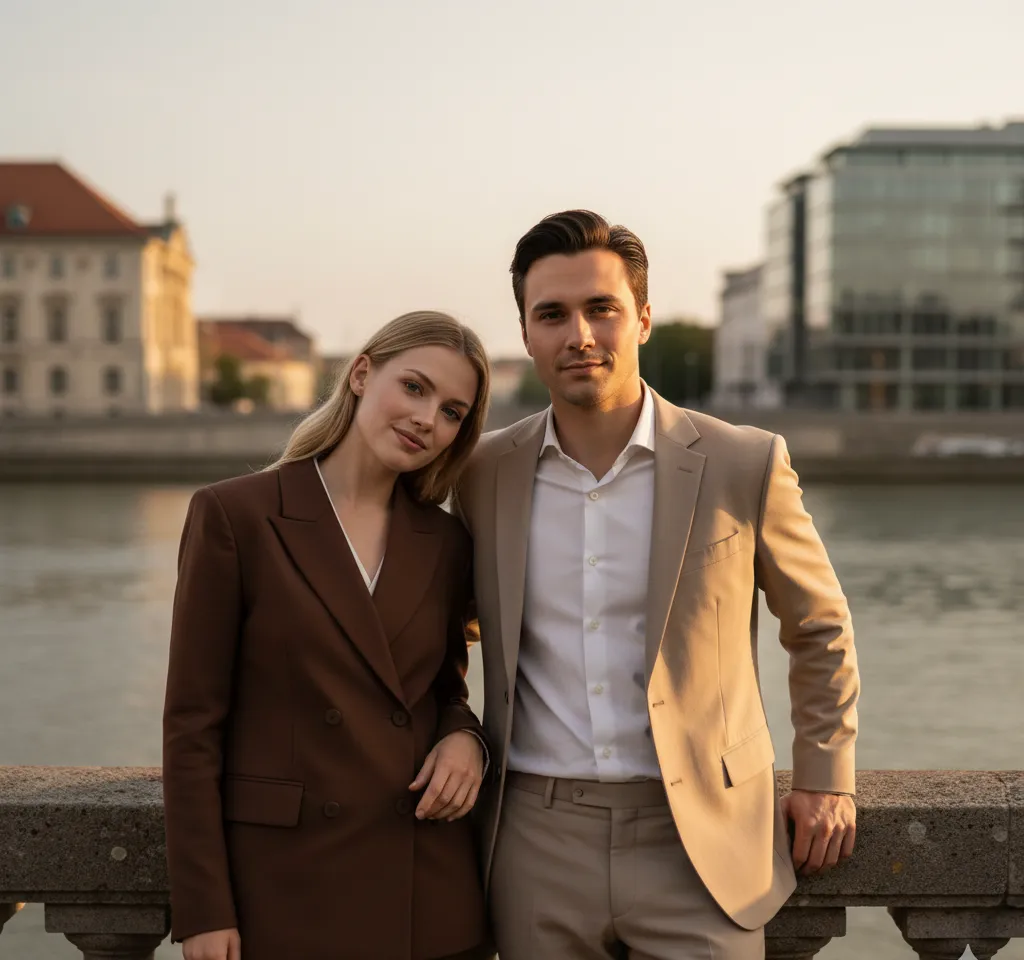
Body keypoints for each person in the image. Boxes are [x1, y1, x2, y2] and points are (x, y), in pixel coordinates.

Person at [454, 211, 861, 960]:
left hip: (704, 843)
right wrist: (454, 729)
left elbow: (819, 626)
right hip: (534, 842)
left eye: (600, 308)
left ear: (642, 318)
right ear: (526, 334)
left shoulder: (745, 462)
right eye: (552, 314)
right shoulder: (480, 474)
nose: (578, 334)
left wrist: (826, 775)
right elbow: (443, 633)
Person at [162, 311, 495, 960]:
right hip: (287, 890)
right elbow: (192, 727)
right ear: (363, 375)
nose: (429, 420)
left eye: (454, 412)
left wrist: (466, 739)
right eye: (416, 388)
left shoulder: (446, 542)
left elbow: (443, 691)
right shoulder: (236, 516)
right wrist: (204, 908)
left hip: (426, 893)